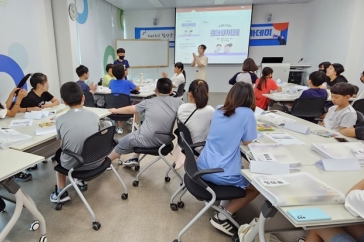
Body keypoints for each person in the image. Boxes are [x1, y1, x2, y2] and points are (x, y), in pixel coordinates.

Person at [196, 82, 260, 236]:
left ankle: (226, 206)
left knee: (239, 168)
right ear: (250, 98)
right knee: (257, 186)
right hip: (221, 173)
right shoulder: (247, 114)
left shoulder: (218, 109)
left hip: (202, 167)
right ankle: (222, 215)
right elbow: (248, 142)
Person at [107, 78, 183, 167]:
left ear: (156, 90)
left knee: (122, 144)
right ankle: (135, 157)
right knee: (137, 133)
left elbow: (130, 109)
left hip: (148, 139)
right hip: (166, 139)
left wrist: (115, 110)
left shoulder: (148, 102)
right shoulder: (179, 102)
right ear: (171, 91)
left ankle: (106, 163)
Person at [49, 82, 103, 203]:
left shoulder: (60, 119)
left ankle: (61, 192)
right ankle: (80, 180)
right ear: (83, 97)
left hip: (74, 165)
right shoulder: (94, 116)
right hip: (96, 161)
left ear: (64, 102)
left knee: (59, 154)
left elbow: (62, 143)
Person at [174, 79, 214, 169]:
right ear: (207, 94)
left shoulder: (181, 108)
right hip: (200, 149)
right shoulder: (210, 110)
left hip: (184, 146)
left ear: (189, 93)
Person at [108, 65, 139, 134]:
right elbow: (137, 88)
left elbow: (110, 87)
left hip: (115, 108)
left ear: (113, 74)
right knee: (136, 105)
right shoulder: (128, 82)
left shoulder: (112, 82)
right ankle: (136, 124)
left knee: (118, 103)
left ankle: (120, 127)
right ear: (124, 73)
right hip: (126, 108)